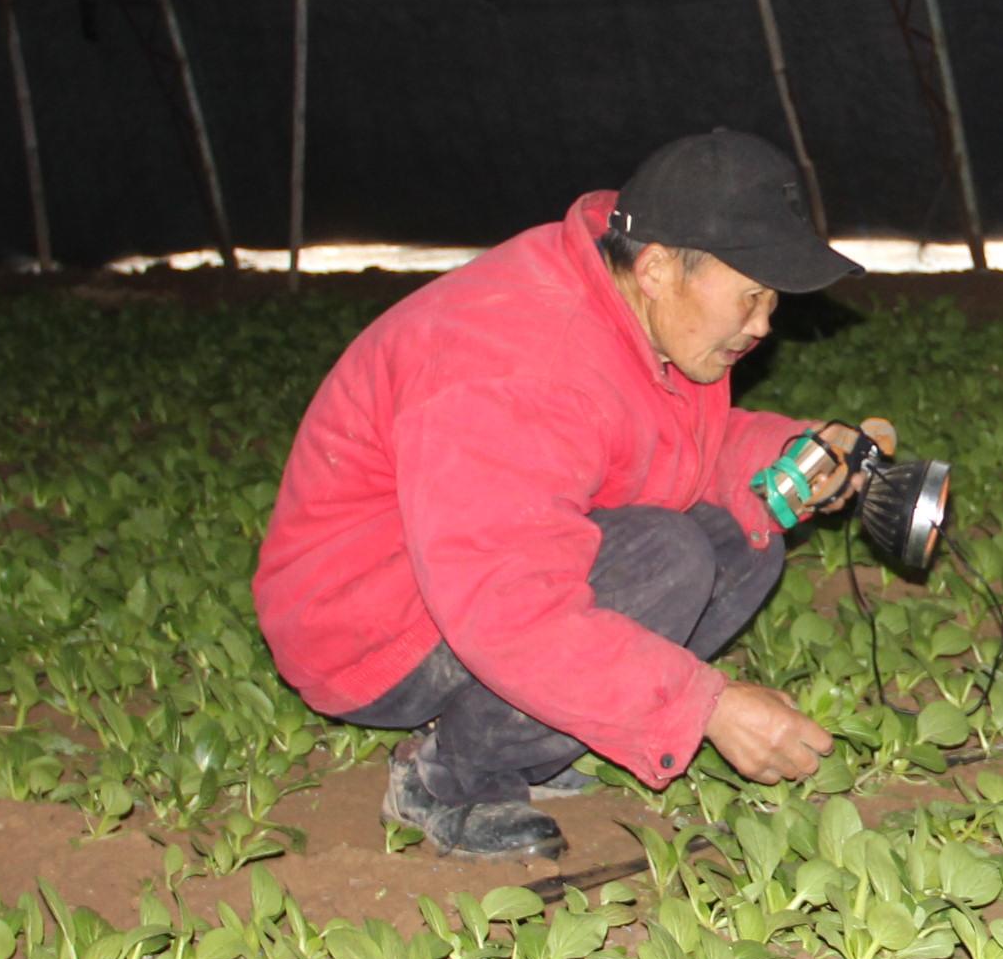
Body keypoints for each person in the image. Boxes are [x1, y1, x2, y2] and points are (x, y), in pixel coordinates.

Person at [252, 129, 872, 861]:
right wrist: (704, 705)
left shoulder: (630, 310)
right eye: (751, 297)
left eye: (771, 301)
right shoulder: (521, 365)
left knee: (746, 536)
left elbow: (666, 453)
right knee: (668, 560)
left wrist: (793, 456)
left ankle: (553, 730)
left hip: (457, 578)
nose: (765, 325)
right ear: (659, 269)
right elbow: (508, 607)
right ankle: (452, 779)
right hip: (367, 623)